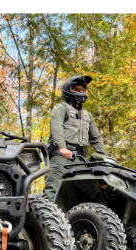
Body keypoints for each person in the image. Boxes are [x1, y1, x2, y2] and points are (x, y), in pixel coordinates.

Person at [42, 75, 107, 203]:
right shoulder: (61, 108)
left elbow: (95, 138)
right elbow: (56, 128)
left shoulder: (87, 115)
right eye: (77, 89)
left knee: (84, 198)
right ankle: (46, 214)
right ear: (69, 90)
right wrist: (62, 148)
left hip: (81, 160)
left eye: (83, 89)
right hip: (62, 158)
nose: (81, 91)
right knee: (53, 193)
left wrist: (106, 157)